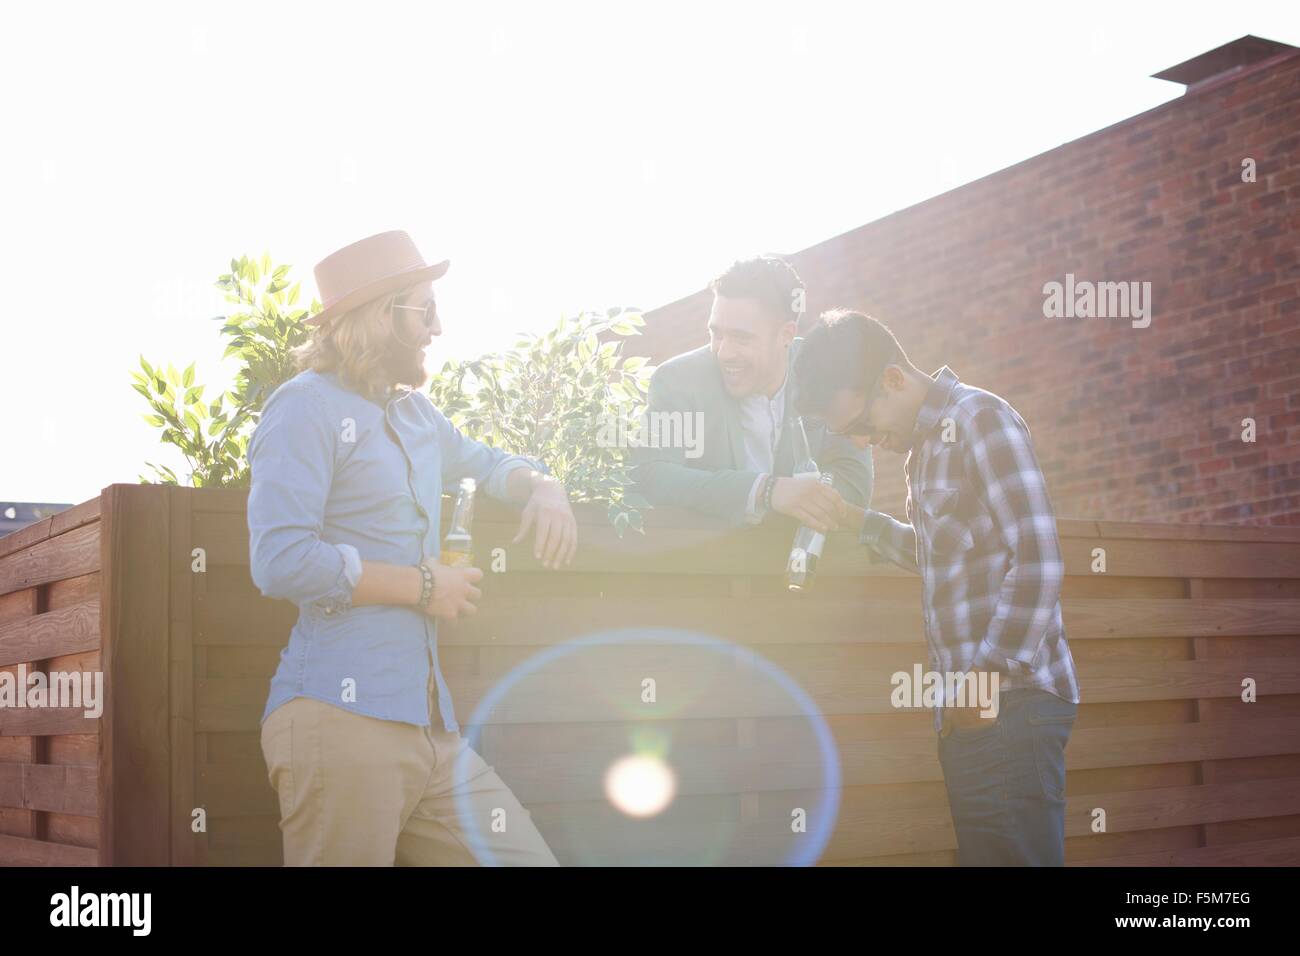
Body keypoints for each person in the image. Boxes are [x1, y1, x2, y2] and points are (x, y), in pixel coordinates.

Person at [248, 230, 577, 865]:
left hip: (432, 731)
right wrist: (422, 585)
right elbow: (280, 559)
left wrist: (543, 484)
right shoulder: (303, 409)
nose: (438, 327)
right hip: (339, 724)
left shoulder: (417, 416)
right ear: (381, 315)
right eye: (425, 309)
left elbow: (487, 464)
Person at [792, 308, 1081, 866]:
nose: (867, 443)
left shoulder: (979, 419)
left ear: (893, 379)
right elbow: (941, 559)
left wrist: (985, 683)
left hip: (1009, 706)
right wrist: (857, 521)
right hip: (980, 715)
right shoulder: (925, 450)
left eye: (861, 426)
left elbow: (1039, 557)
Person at [632, 256, 872, 533]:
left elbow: (854, 483)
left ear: (786, 334)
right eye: (716, 334)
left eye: (741, 338)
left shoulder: (827, 375)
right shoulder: (678, 381)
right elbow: (649, 475)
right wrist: (766, 490)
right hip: (708, 565)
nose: (723, 352)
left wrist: (808, 498)